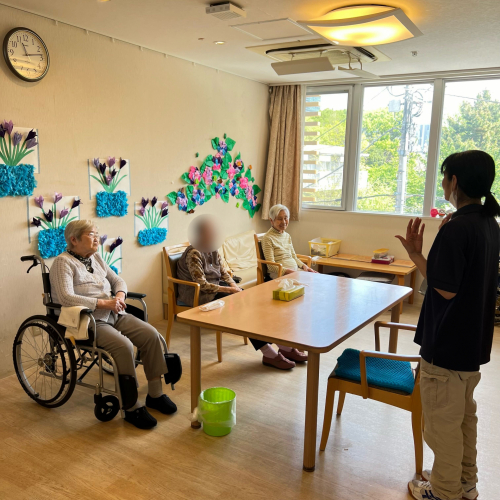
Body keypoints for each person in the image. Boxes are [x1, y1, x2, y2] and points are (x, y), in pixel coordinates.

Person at [395, 150, 500, 500]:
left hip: (447, 348)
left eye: (444, 176)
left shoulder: (458, 228)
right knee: (463, 420)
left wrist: (416, 255)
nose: (443, 183)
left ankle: (443, 492)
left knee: (442, 428)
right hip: (472, 346)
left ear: (454, 181)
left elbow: (445, 288)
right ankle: (465, 484)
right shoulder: (489, 223)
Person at [50, 220, 176, 430]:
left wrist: (119, 296)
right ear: (74, 240)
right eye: (91, 234)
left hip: (114, 313)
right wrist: (103, 303)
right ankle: (131, 407)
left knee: (151, 335)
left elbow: (118, 281)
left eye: (96, 233)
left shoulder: (95, 257)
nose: (97, 238)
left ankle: (155, 394)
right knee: (124, 346)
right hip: (88, 320)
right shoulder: (63, 263)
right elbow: (66, 298)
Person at [176, 214, 307, 370]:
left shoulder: (212, 248)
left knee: (252, 303)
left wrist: (234, 286)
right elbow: (202, 284)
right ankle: (269, 354)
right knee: (244, 311)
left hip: (215, 288)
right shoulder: (194, 253)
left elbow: (224, 272)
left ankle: (283, 347)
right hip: (199, 294)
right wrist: (230, 289)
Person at [261, 204, 317, 280]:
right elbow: (271, 266)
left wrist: (304, 266)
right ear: (271, 220)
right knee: (307, 282)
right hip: (279, 273)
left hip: (294, 271)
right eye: (279, 219)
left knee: (316, 278)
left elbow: (294, 257)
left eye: (285, 218)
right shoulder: (267, 238)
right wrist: (292, 272)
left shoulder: (287, 236)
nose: (283, 222)